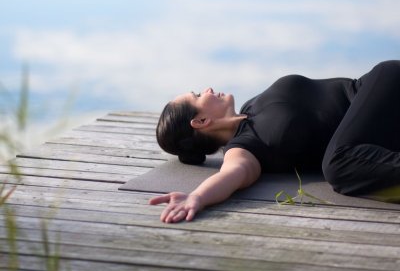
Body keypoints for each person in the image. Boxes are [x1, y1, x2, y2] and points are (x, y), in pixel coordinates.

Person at [149, 60, 400, 223]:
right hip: (387, 135)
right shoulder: (243, 148)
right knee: (338, 163)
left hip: (386, 86)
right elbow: (230, 176)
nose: (208, 89)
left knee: (337, 164)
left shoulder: (252, 105)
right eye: (197, 95)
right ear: (200, 121)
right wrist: (198, 197)